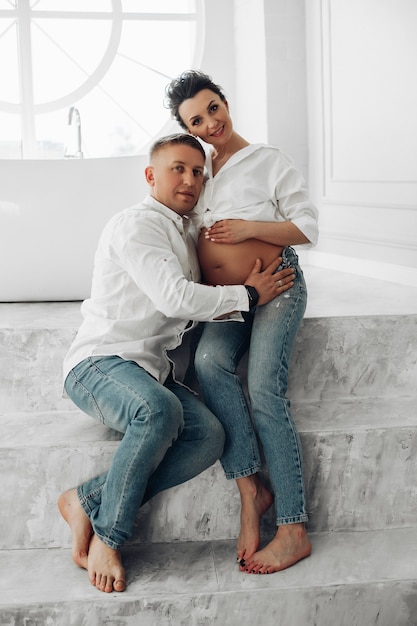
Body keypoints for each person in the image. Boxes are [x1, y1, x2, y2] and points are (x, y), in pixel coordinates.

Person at [58, 133, 296, 593]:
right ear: (151, 176)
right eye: (178, 169)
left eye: (198, 171)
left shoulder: (191, 231)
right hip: (100, 364)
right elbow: (174, 297)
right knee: (158, 411)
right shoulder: (137, 225)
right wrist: (247, 295)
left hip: (152, 373)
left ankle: (85, 500)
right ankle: (109, 535)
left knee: (209, 436)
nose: (190, 180)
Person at [165, 71, 319, 575]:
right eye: (196, 120)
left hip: (278, 284)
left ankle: (294, 528)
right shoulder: (201, 172)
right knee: (209, 363)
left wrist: (251, 229)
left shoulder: (269, 160)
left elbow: (307, 226)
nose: (211, 123)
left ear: (225, 101)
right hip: (233, 298)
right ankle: (250, 490)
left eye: (213, 108)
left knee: (263, 387)